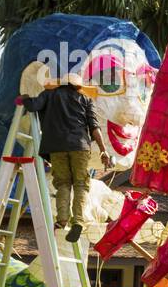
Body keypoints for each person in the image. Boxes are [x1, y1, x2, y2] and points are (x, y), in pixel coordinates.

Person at [16, 84, 111, 242]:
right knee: (81, 184)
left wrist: (24, 98)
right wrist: (103, 150)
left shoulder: (49, 94)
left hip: (57, 146)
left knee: (62, 184)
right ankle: (78, 221)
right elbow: (95, 127)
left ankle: (62, 220)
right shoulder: (85, 98)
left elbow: (33, 106)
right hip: (80, 146)